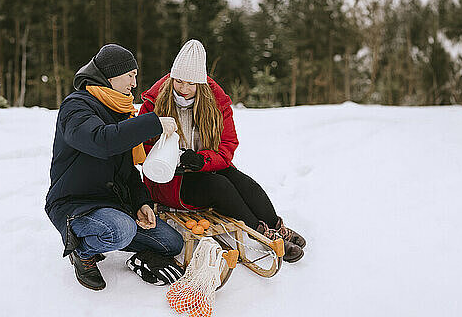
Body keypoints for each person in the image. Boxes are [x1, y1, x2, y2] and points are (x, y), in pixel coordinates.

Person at [139, 39, 306, 263]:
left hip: (203, 166)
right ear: (171, 78)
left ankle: (276, 226)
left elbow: (227, 147)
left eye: (191, 84)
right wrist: (174, 159)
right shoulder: (154, 102)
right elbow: (142, 146)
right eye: (178, 81)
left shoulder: (216, 104)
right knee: (220, 186)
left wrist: (202, 160)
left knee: (243, 182)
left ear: (201, 82)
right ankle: (261, 233)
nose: (184, 89)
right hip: (170, 181)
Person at [45, 44, 184, 291]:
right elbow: (101, 141)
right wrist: (153, 123)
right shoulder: (76, 107)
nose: (134, 83)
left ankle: (119, 239)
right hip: (76, 204)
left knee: (171, 243)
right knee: (121, 229)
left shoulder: (120, 111)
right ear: (111, 75)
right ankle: (83, 252)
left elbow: (128, 170)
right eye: (130, 75)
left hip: (112, 204)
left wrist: (141, 202)